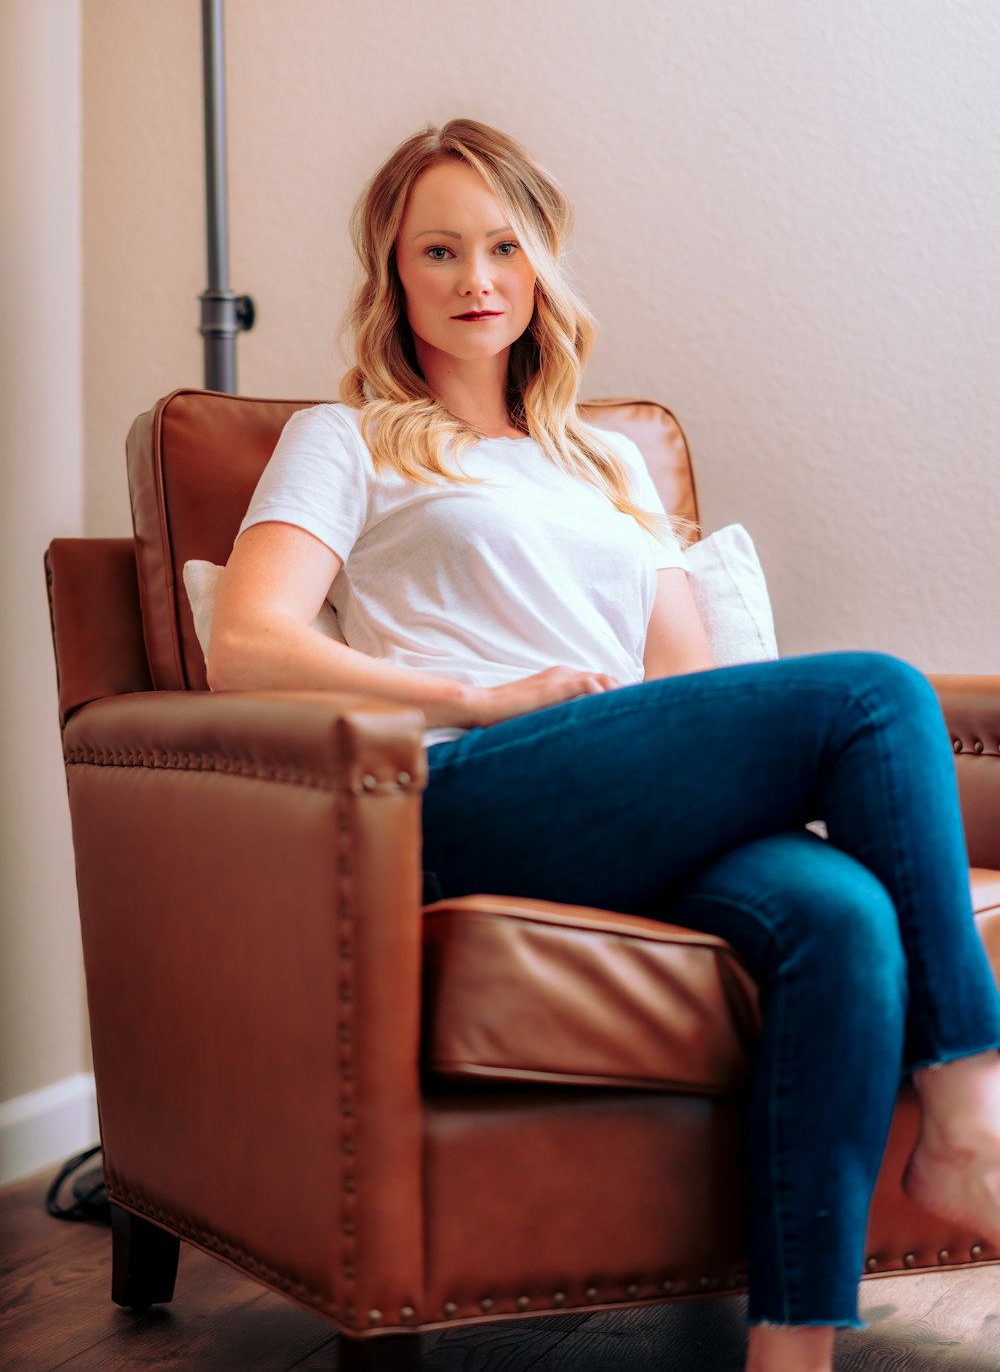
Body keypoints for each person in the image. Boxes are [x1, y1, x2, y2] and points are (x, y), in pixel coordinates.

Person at [208, 117, 1000, 1372]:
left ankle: (790, 1353)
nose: (476, 279)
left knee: (841, 912)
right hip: (457, 788)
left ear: (539, 266)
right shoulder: (347, 436)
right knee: (873, 690)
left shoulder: (612, 464)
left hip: (622, 799)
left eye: (503, 246)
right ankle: (966, 1111)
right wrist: (482, 697)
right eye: (438, 251)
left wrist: (738, 762)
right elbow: (244, 642)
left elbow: (689, 687)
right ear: (392, 275)